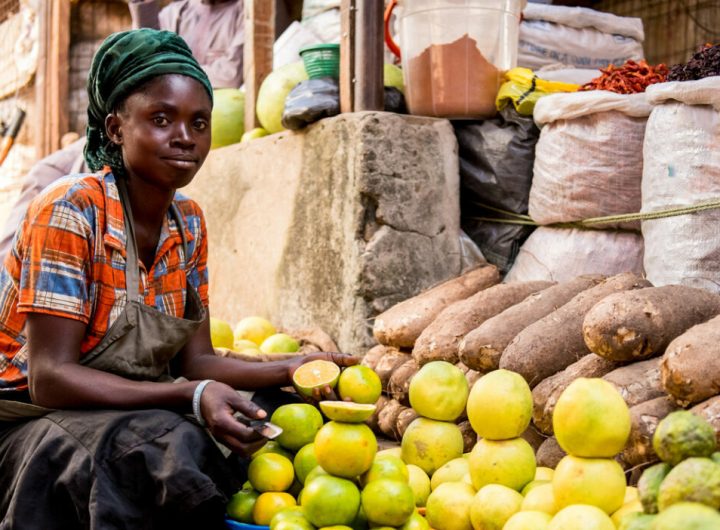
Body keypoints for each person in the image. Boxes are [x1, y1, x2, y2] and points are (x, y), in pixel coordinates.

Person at [0, 28, 355, 529]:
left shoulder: (187, 222)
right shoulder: (70, 209)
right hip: (29, 419)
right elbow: (50, 379)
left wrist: (295, 367)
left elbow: (198, 360)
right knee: (144, 447)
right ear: (117, 128)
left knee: (267, 411)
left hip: (121, 403)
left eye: (199, 122)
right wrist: (189, 393)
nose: (185, 137)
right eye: (161, 119)